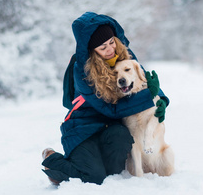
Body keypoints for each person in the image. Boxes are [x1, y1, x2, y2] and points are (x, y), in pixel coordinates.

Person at [42, 11, 169, 185]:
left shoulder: (125, 54)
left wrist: (161, 99)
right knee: (94, 178)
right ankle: (53, 161)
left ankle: (97, 163)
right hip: (84, 128)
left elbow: (143, 81)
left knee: (113, 172)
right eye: (103, 48)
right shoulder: (82, 70)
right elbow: (111, 109)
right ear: (92, 50)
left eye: (112, 42)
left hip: (112, 127)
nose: (110, 50)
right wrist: (148, 97)